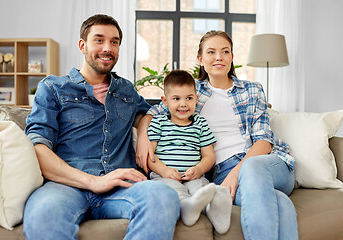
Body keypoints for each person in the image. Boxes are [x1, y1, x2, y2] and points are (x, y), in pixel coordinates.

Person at [23, 14, 180, 240]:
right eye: (99, 40)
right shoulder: (53, 88)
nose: (108, 48)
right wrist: (94, 181)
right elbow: (39, 148)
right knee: (43, 214)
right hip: (67, 186)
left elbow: (146, 112)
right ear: (82, 45)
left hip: (121, 186)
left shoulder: (126, 89)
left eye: (114, 42)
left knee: (164, 196)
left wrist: (144, 135)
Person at [136, 30, 298, 240]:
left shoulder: (252, 90)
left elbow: (264, 141)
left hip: (265, 163)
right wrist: (142, 138)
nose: (219, 57)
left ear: (232, 57)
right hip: (222, 171)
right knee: (281, 203)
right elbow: (152, 113)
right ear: (200, 59)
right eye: (211, 52)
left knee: (252, 169)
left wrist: (236, 174)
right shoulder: (192, 93)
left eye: (225, 51)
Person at [147, 70, 232, 234]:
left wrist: (199, 170)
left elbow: (209, 155)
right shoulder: (159, 122)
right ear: (165, 101)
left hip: (193, 176)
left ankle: (215, 210)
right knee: (172, 190)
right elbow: (150, 156)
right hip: (165, 177)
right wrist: (165, 171)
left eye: (189, 98)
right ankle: (187, 207)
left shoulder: (200, 123)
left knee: (202, 189)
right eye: (176, 99)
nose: (183, 104)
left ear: (196, 99)